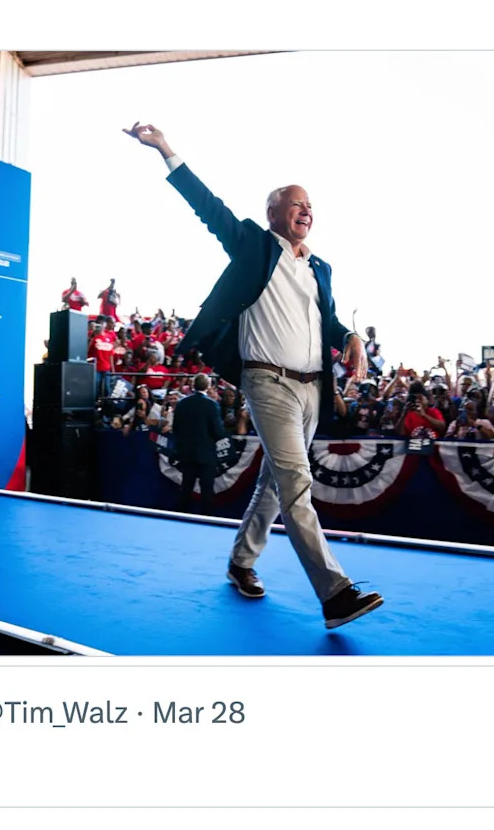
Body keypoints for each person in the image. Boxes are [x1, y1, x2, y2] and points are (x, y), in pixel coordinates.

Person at [124, 121, 381, 629]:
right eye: (296, 203)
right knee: (296, 480)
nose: (306, 210)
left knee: (272, 483)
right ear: (273, 214)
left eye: (311, 205)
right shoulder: (252, 245)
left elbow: (325, 321)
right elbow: (208, 206)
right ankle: (335, 594)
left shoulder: (320, 269)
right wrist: (166, 151)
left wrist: (349, 337)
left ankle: (242, 562)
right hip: (267, 383)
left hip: (312, 388)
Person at [171, 374, 226, 514]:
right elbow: (218, 432)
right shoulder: (212, 405)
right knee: (206, 491)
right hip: (206, 454)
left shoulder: (182, 403)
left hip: (187, 453)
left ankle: (180, 518)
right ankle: (205, 521)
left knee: (186, 489)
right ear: (207, 386)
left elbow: (176, 428)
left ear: (192, 385)